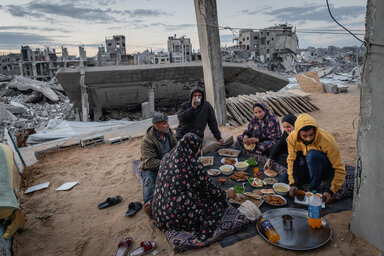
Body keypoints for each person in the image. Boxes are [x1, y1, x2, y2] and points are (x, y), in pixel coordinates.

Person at [152, 133, 235, 244]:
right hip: (176, 215)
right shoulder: (193, 164)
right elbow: (209, 189)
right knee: (218, 205)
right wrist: (226, 194)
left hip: (160, 213)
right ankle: (202, 236)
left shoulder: (167, 157)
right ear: (194, 148)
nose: (198, 151)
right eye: (198, 148)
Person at [287, 113, 346, 204]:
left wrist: (330, 190)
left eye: (311, 135)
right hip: (310, 165)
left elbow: (338, 168)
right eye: (304, 136)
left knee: (312, 155)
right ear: (298, 133)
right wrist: (293, 184)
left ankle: (314, 188)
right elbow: (292, 161)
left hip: (326, 168)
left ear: (315, 130)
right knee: (285, 179)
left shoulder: (326, 140)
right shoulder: (292, 138)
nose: (308, 139)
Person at [139, 112, 177, 218]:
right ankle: (149, 204)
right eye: (164, 123)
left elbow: (175, 146)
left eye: (167, 122)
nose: (168, 125)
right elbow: (149, 162)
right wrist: (167, 162)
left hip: (169, 163)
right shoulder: (147, 140)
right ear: (156, 126)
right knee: (149, 179)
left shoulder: (168, 132)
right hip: (153, 166)